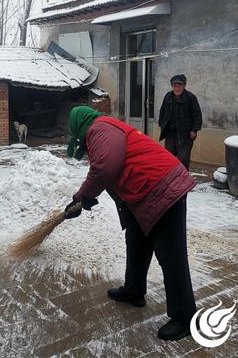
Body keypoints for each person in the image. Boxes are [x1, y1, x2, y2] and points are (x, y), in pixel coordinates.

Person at [64, 106, 197, 341]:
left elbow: (105, 167)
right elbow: (112, 171)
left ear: (79, 124)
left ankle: (185, 318)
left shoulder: (99, 129)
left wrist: (83, 194)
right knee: (136, 240)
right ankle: (134, 291)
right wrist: (81, 198)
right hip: (145, 194)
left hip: (163, 187)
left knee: (171, 256)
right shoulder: (101, 129)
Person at [158, 74, 202, 170]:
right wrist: (162, 125)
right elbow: (162, 112)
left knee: (183, 158)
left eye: (179, 85)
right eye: (175, 86)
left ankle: (183, 179)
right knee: (169, 157)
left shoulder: (190, 97)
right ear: (172, 86)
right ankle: (170, 178)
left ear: (184, 86)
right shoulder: (168, 97)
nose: (177, 88)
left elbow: (197, 115)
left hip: (185, 134)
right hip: (170, 133)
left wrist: (194, 130)